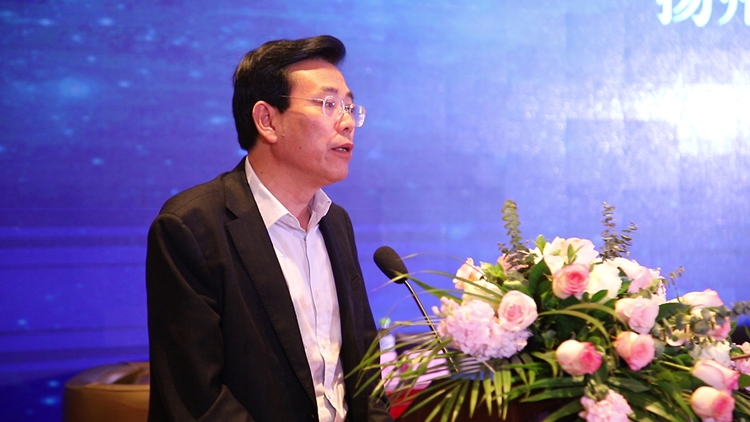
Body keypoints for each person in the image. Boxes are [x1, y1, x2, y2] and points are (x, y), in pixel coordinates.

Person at [145, 35, 393, 422]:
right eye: (328, 104)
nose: (347, 122)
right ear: (267, 121)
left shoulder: (335, 221)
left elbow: (364, 367)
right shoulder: (191, 227)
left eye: (349, 106)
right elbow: (197, 400)